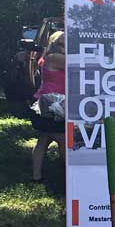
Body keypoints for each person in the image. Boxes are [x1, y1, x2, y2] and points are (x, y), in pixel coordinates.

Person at [30, 31, 66, 183]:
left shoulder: (47, 57)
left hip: (47, 101)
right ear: (56, 45)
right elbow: (79, 63)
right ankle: (68, 176)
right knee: (64, 139)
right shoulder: (55, 58)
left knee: (44, 140)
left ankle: (36, 176)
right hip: (53, 104)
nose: (66, 47)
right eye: (63, 43)